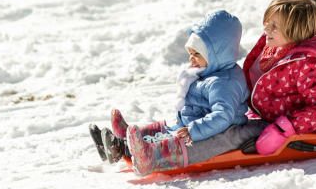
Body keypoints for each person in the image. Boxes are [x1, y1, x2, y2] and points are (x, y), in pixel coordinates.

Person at [90, 9, 262, 175]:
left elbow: (223, 116)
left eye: (196, 53)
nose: (191, 58)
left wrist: (194, 129)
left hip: (216, 131)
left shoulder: (224, 83)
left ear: (217, 54)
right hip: (191, 123)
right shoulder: (209, 71)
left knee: (180, 144)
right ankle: (122, 142)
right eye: (190, 52)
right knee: (163, 128)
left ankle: (150, 157)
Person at [243, 0, 316, 155]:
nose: (267, 29)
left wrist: (283, 129)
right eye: (267, 23)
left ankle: (192, 153)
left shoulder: (308, 64)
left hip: (283, 126)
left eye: (274, 26)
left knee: (232, 137)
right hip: (262, 117)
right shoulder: (275, 48)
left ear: (295, 31)